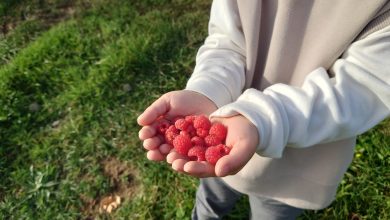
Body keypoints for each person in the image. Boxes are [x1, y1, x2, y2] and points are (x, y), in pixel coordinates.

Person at [137, 0, 390, 219]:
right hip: (224, 132)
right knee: (211, 199)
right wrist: (206, 91)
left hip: (297, 170)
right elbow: (228, 40)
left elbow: (364, 86)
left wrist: (262, 119)